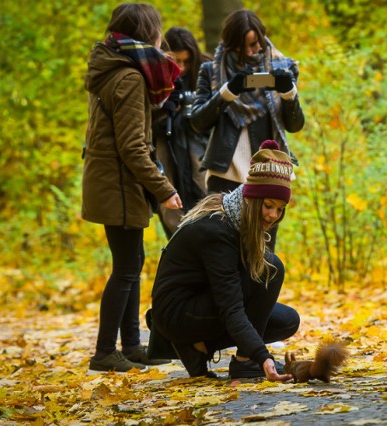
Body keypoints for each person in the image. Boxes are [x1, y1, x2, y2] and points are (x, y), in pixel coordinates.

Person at [82, 2, 183, 372]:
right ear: (146, 34)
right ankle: (105, 352)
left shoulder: (112, 68)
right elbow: (132, 146)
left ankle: (130, 346)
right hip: (119, 185)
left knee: (131, 263)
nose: (161, 38)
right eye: (157, 30)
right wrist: (163, 188)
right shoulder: (129, 77)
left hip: (113, 181)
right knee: (126, 267)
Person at [149, 140, 300, 380]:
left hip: (202, 301)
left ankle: (200, 347)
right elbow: (230, 307)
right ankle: (243, 361)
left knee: (287, 320)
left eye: (280, 209)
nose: (273, 215)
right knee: (270, 269)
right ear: (251, 198)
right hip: (176, 313)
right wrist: (261, 356)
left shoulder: (237, 217)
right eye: (268, 205)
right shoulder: (218, 229)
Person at [188, 9, 304, 195]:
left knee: (265, 224)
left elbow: (295, 125)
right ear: (230, 45)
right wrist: (228, 91)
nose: (250, 52)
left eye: (254, 44)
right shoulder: (211, 71)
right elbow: (197, 123)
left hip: (269, 170)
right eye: (242, 48)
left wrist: (288, 93)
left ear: (262, 37)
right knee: (220, 224)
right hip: (224, 173)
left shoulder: (284, 67)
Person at [154, 27, 212, 238]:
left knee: (205, 195)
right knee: (171, 203)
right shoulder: (153, 75)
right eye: (176, 61)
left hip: (201, 145)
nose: (182, 67)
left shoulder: (207, 69)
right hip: (166, 145)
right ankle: (180, 247)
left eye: (186, 61)